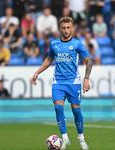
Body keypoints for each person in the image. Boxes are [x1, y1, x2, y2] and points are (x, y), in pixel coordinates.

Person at [31, 17, 92, 150]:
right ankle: (64, 139)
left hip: (73, 82)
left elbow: (88, 60)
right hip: (58, 81)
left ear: (72, 28)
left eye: (68, 27)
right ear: (60, 29)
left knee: (76, 110)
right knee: (58, 107)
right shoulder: (54, 44)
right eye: (63, 28)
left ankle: (81, 138)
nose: (66, 30)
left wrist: (87, 78)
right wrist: (37, 72)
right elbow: (49, 59)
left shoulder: (77, 44)